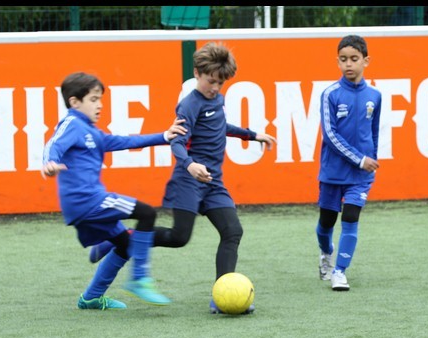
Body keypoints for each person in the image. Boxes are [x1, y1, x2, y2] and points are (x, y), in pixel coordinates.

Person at [89, 42, 275, 314]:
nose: (215, 87)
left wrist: (252, 135)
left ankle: (221, 296)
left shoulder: (217, 99)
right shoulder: (189, 105)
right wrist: (190, 165)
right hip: (188, 180)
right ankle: (124, 236)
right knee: (179, 237)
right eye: (211, 81)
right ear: (197, 73)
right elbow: (176, 141)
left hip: (212, 182)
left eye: (220, 83)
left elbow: (220, 125)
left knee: (232, 231)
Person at [42, 72, 186, 310]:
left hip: (85, 205)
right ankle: (139, 278)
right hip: (88, 201)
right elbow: (53, 144)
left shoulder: (93, 133)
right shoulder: (71, 123)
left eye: (100, 99)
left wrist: (164, 136)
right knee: (147, 213)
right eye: (93, 99)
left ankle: (91, 297)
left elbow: (124, 142)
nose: (99, 105)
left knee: (125, 244)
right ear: (74, 102)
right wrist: (49, 162)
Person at [316, 35, 381, 291]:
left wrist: (371, 158)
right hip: (333, 172)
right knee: (326, 223)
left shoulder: (375, 95)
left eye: (354, 59)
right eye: (343, 59)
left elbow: (373, 132)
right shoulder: (330, 94)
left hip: (361, 175)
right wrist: (360, 159)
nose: (349, 64)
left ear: (366, 61)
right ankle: (326, 252)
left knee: (351, 217)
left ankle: (340, 271)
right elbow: (330, 136)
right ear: (337, 62)